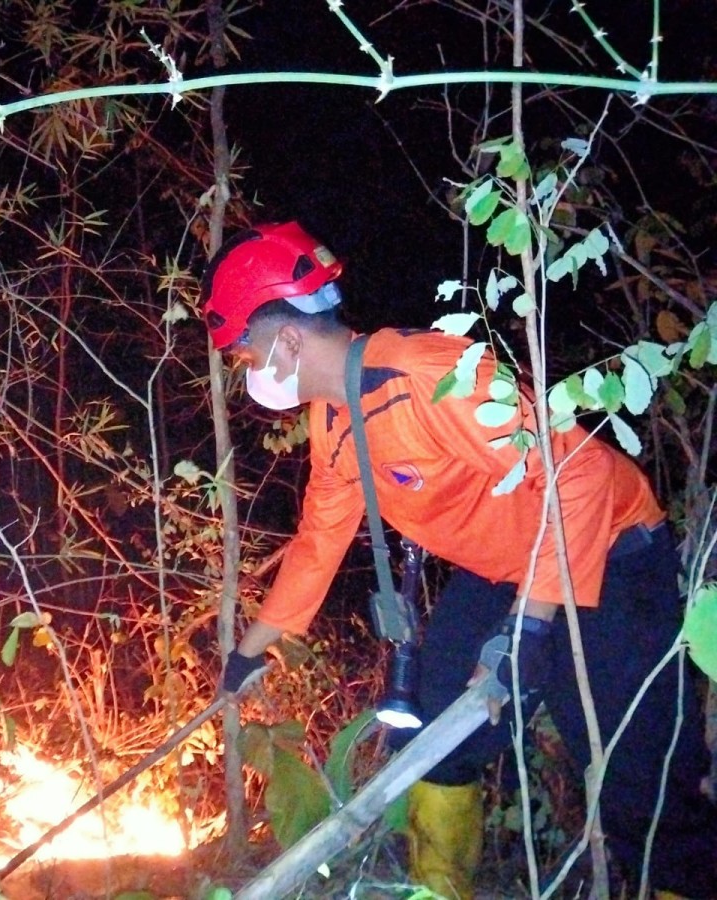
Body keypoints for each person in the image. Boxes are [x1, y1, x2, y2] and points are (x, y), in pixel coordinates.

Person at [203, 220, 717, 899]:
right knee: (436, 731)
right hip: (507, 569)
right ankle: (436, 890)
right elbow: (318, 541)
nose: (249, 372)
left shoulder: (428, 377)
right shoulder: (334, 420)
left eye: (247, 353)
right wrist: (250, 650)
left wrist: (528, 631)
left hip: (609, 554)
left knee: (636, 780)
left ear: (289, 338)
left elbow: (581, 477)